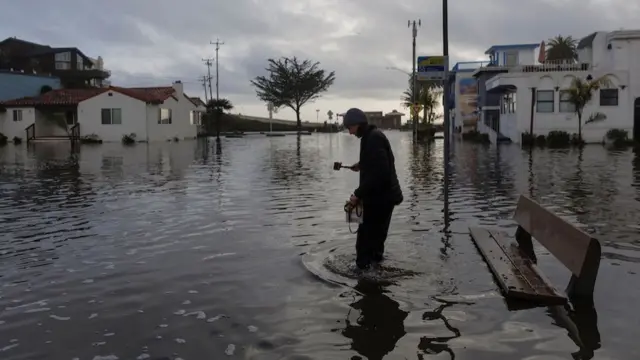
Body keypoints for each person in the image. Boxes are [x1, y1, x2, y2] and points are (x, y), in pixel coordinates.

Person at [343, 108, 403, 271]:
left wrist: (357, 194)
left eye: (349, 128)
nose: (349, 132)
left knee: (364, 241)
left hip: (380, 199)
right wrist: (362, 165)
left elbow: (381, 173)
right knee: (376, 241)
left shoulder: (373, 139)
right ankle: (377, 276)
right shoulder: (372, 136)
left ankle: (362, 275)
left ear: (357, 124)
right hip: (385, 198)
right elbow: (381, 163)